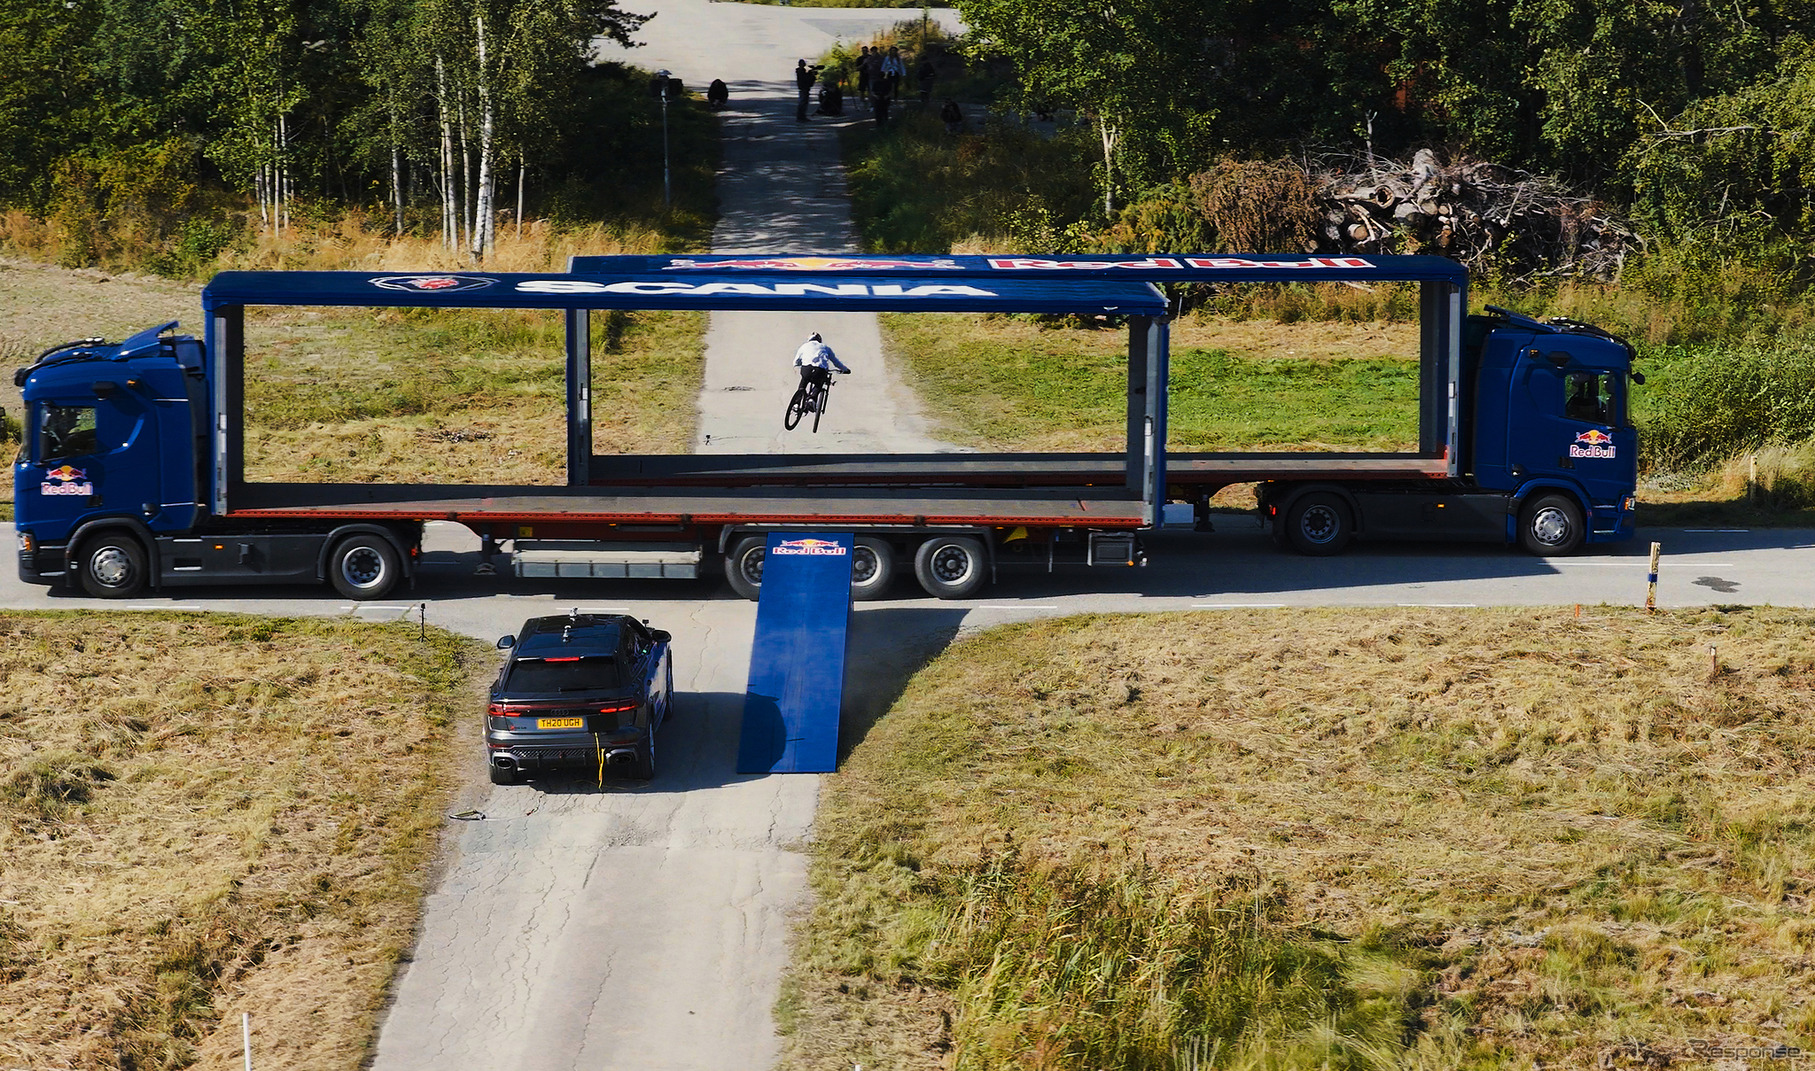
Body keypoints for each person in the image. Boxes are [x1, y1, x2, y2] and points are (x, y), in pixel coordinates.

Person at [792, 332, 851, 400]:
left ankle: (797, 400)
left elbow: (796, 362)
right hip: (819, 371)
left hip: (806, 369)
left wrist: (800, 365)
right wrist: (845, 369)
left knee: (804, 380)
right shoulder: (825, 347)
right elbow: (836, 362)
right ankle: (812, 399)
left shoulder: (804, 346)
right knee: (819, 383)